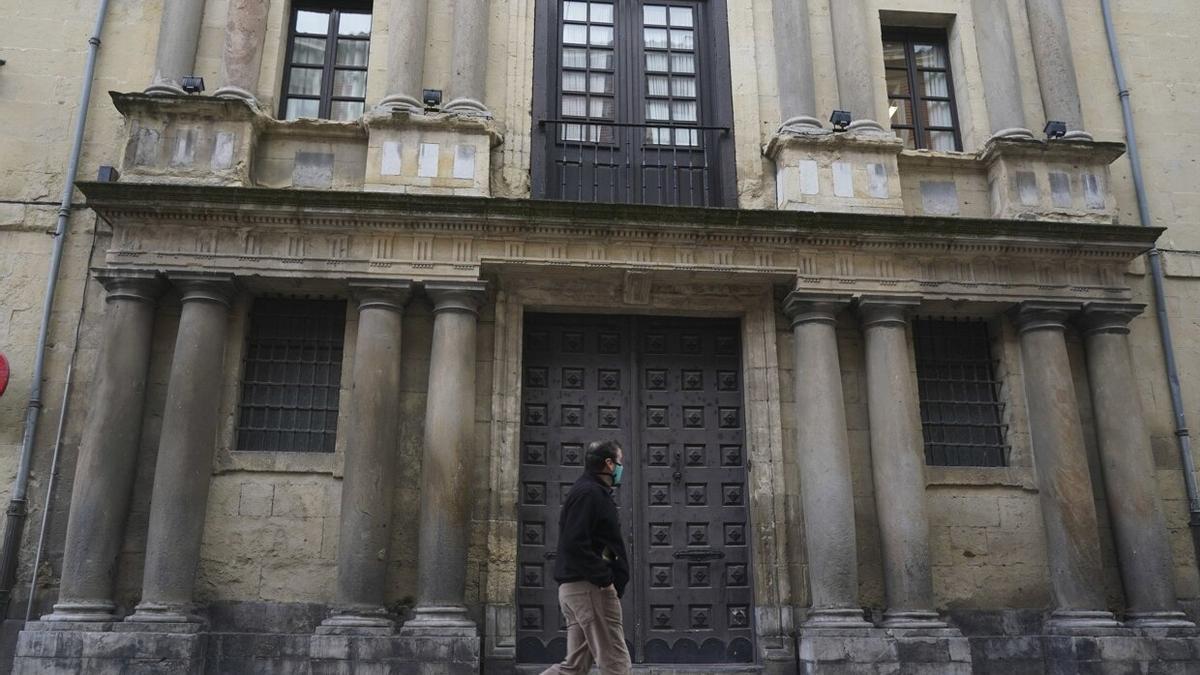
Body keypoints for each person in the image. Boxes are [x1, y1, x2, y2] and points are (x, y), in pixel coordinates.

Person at [539, 440, 632, 675]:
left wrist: (613, 566)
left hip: (581, 590)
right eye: (620, 462)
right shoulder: (589, 493)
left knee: (574, 668)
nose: (621, 467)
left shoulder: (592, 492)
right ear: (609, 464)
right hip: (589, 589)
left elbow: (599, 543)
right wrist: (604, 578)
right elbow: (574, 542)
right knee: (615, 663)